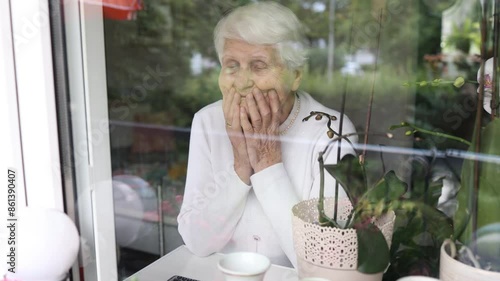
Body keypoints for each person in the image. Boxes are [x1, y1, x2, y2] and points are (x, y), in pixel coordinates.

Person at [177, 1, 357, 268]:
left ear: (295, 75)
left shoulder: (332, 133)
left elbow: (325, 263)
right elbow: (196, 241)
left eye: (259, 65)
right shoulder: (207, 121)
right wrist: (240, 168)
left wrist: (266, 161)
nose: (242, 82)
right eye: (232, 65)